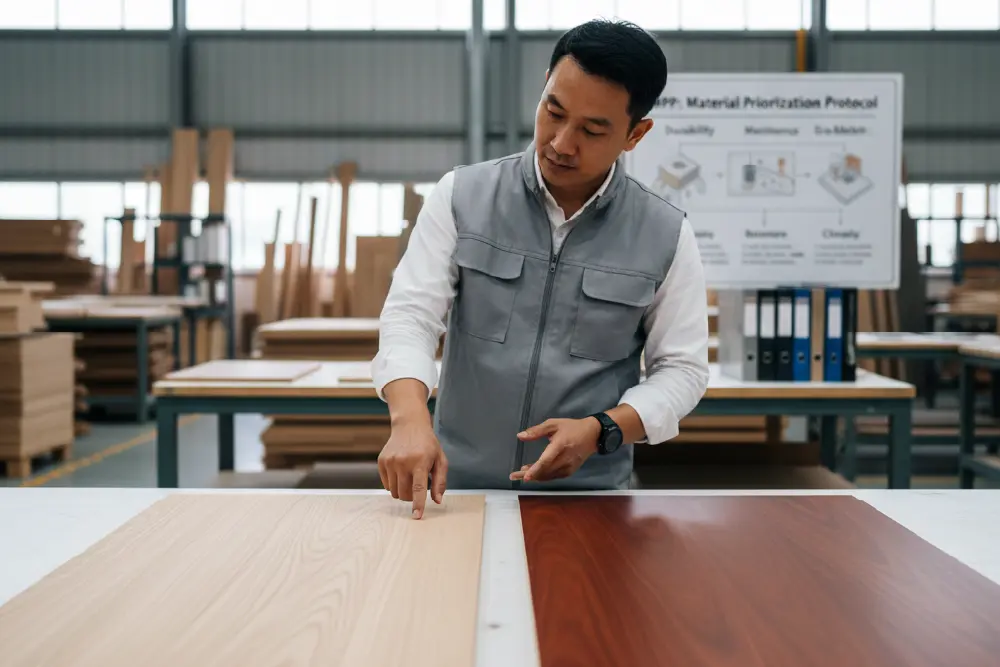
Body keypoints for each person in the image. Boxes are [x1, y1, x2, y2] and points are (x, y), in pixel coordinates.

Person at [371, 19, 710, 518]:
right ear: (545, 85)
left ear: (636, 133)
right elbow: (411, 317)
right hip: (454, 493)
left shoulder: (665, 233)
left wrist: (603, 429)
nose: (561, 143)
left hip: (588, 501)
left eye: (593, 130)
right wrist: (409, 419)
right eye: (553, 112)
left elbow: (682, 370)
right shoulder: (462, 198)